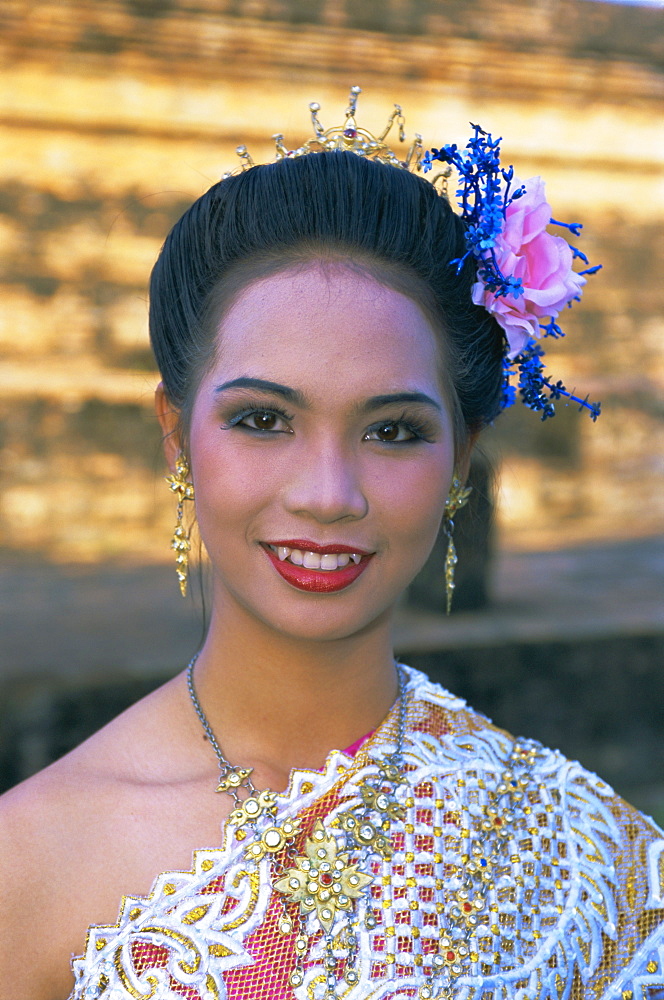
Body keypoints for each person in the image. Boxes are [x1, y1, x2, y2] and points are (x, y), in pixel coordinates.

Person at [0, 88, 661, 1000]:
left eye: (392, 431)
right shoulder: (26, 867)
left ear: (461, 460)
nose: (327, 495)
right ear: (175, 433)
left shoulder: (598, 862)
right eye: (263, 419)